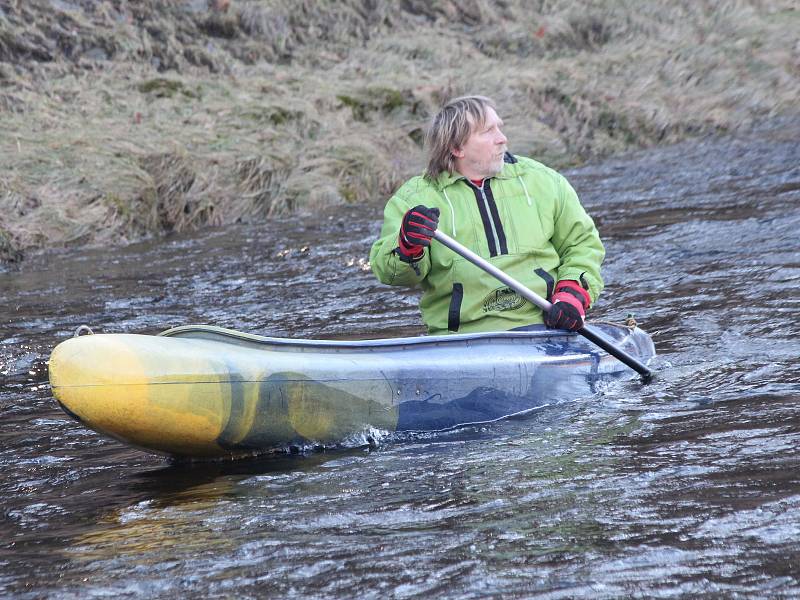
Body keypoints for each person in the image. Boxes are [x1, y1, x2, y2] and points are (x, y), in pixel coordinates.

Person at [369, 95, 604, 335]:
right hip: (461, 339)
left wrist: (573, 292)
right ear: (456, 147)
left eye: (500, 128)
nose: (502, 139)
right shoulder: (414, 199)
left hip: (545, 328)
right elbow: (390, 273)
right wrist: (407, 246)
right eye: (488, 131)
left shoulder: (543, 181)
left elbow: (582, 245)